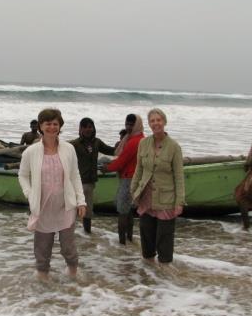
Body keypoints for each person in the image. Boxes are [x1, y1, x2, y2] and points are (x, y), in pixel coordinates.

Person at [18, 108, 87, 281]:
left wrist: (81, 201)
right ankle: (43, 278)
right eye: (48, 123)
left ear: (60, 126)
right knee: (42, 248)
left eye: (55, 124)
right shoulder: (31, 152)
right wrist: (29, 193)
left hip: (65, 206)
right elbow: (23, 175)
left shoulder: (69, 149)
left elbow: (74, 175)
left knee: (68, 247)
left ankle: (73, 273)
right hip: (42, 207)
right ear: (41, 126)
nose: (52, 127)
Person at [131, 108, 185, 264]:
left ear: (164, 122)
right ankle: (149, 271)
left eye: (158, 120)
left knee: (164, 238)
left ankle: (164, 274)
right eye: (152, 121)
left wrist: (179, 202)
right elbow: (139, 169)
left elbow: (179, 177)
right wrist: (133, 190)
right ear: (149, 124)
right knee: (146, 236)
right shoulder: (143, 143)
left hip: (166, 199)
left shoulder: (174, 147)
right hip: (146, 197)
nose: (156, 123)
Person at [102, 114, 144, 244]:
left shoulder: (133, 141)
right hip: (135, 178)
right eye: (127, 124)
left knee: (122, 212)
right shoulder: (141, 139)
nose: (128, 127)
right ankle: (129, 239)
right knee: (129, 211)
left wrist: (107, 168)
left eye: (131, 124)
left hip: (128, 179)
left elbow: (121, 162)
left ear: (137, 125)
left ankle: (122, 244)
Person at [69, 118, 116, 233]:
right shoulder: (74, 144)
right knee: (77, 210)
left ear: (94, 128)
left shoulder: (97, 142)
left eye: (90, 127)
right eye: (85, 127)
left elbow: (111, 151)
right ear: (80, 129)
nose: (88, 129)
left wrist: (123, 146)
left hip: (90, 182)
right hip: (78, 182)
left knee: (87, 211)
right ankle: (73, 234)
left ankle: (86, 235)